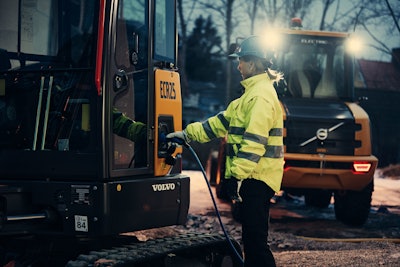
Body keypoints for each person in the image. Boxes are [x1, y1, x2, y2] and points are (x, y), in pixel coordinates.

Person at [167, 35, 284, 266]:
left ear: (252, 63)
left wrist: (235, 176)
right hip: (254, 177)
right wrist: (186, 134)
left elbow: (254, 143)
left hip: (257, 179)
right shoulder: (250, 95)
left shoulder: (260, 97)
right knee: (252, 240)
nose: (238, 65)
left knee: (255, 243)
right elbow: (219, 123)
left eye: (240, 60)